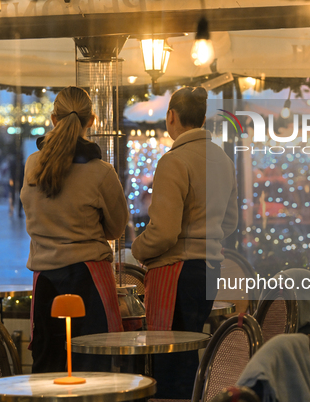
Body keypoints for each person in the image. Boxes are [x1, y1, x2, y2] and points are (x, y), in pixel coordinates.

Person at [131, 86, 238, 398]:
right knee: (188, 354)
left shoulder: (173, 161)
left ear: (171, 116)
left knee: (169, 362)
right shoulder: (222, 159)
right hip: (209, 271)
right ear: (203, 118)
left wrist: (138, 249)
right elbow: (228, 222)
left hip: (176, 273)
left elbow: (164, 232)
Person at [20, 86, 128, 373]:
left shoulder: (32, 165)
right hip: (88, 279)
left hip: (45, 283)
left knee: (47, 369)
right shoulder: (101, 172)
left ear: (54, 118)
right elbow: (116, 229)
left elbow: (30, 214)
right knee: (93, 370)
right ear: (91, 120)